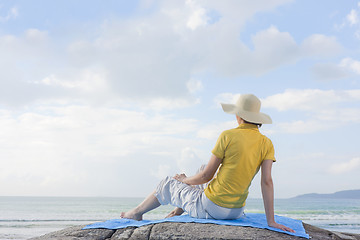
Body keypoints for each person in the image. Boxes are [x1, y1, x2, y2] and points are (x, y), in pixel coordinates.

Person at [121, 94, 294, 233]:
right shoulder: (266, 143)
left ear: (238, 115)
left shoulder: (228, 135)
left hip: (212, 208)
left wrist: (184, 180)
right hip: (236, 211)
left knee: (167, 183)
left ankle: (135, 213)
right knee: (203, 166)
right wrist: (271, 221)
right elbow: (267, 181)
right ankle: (176, 210)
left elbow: (206, 177)